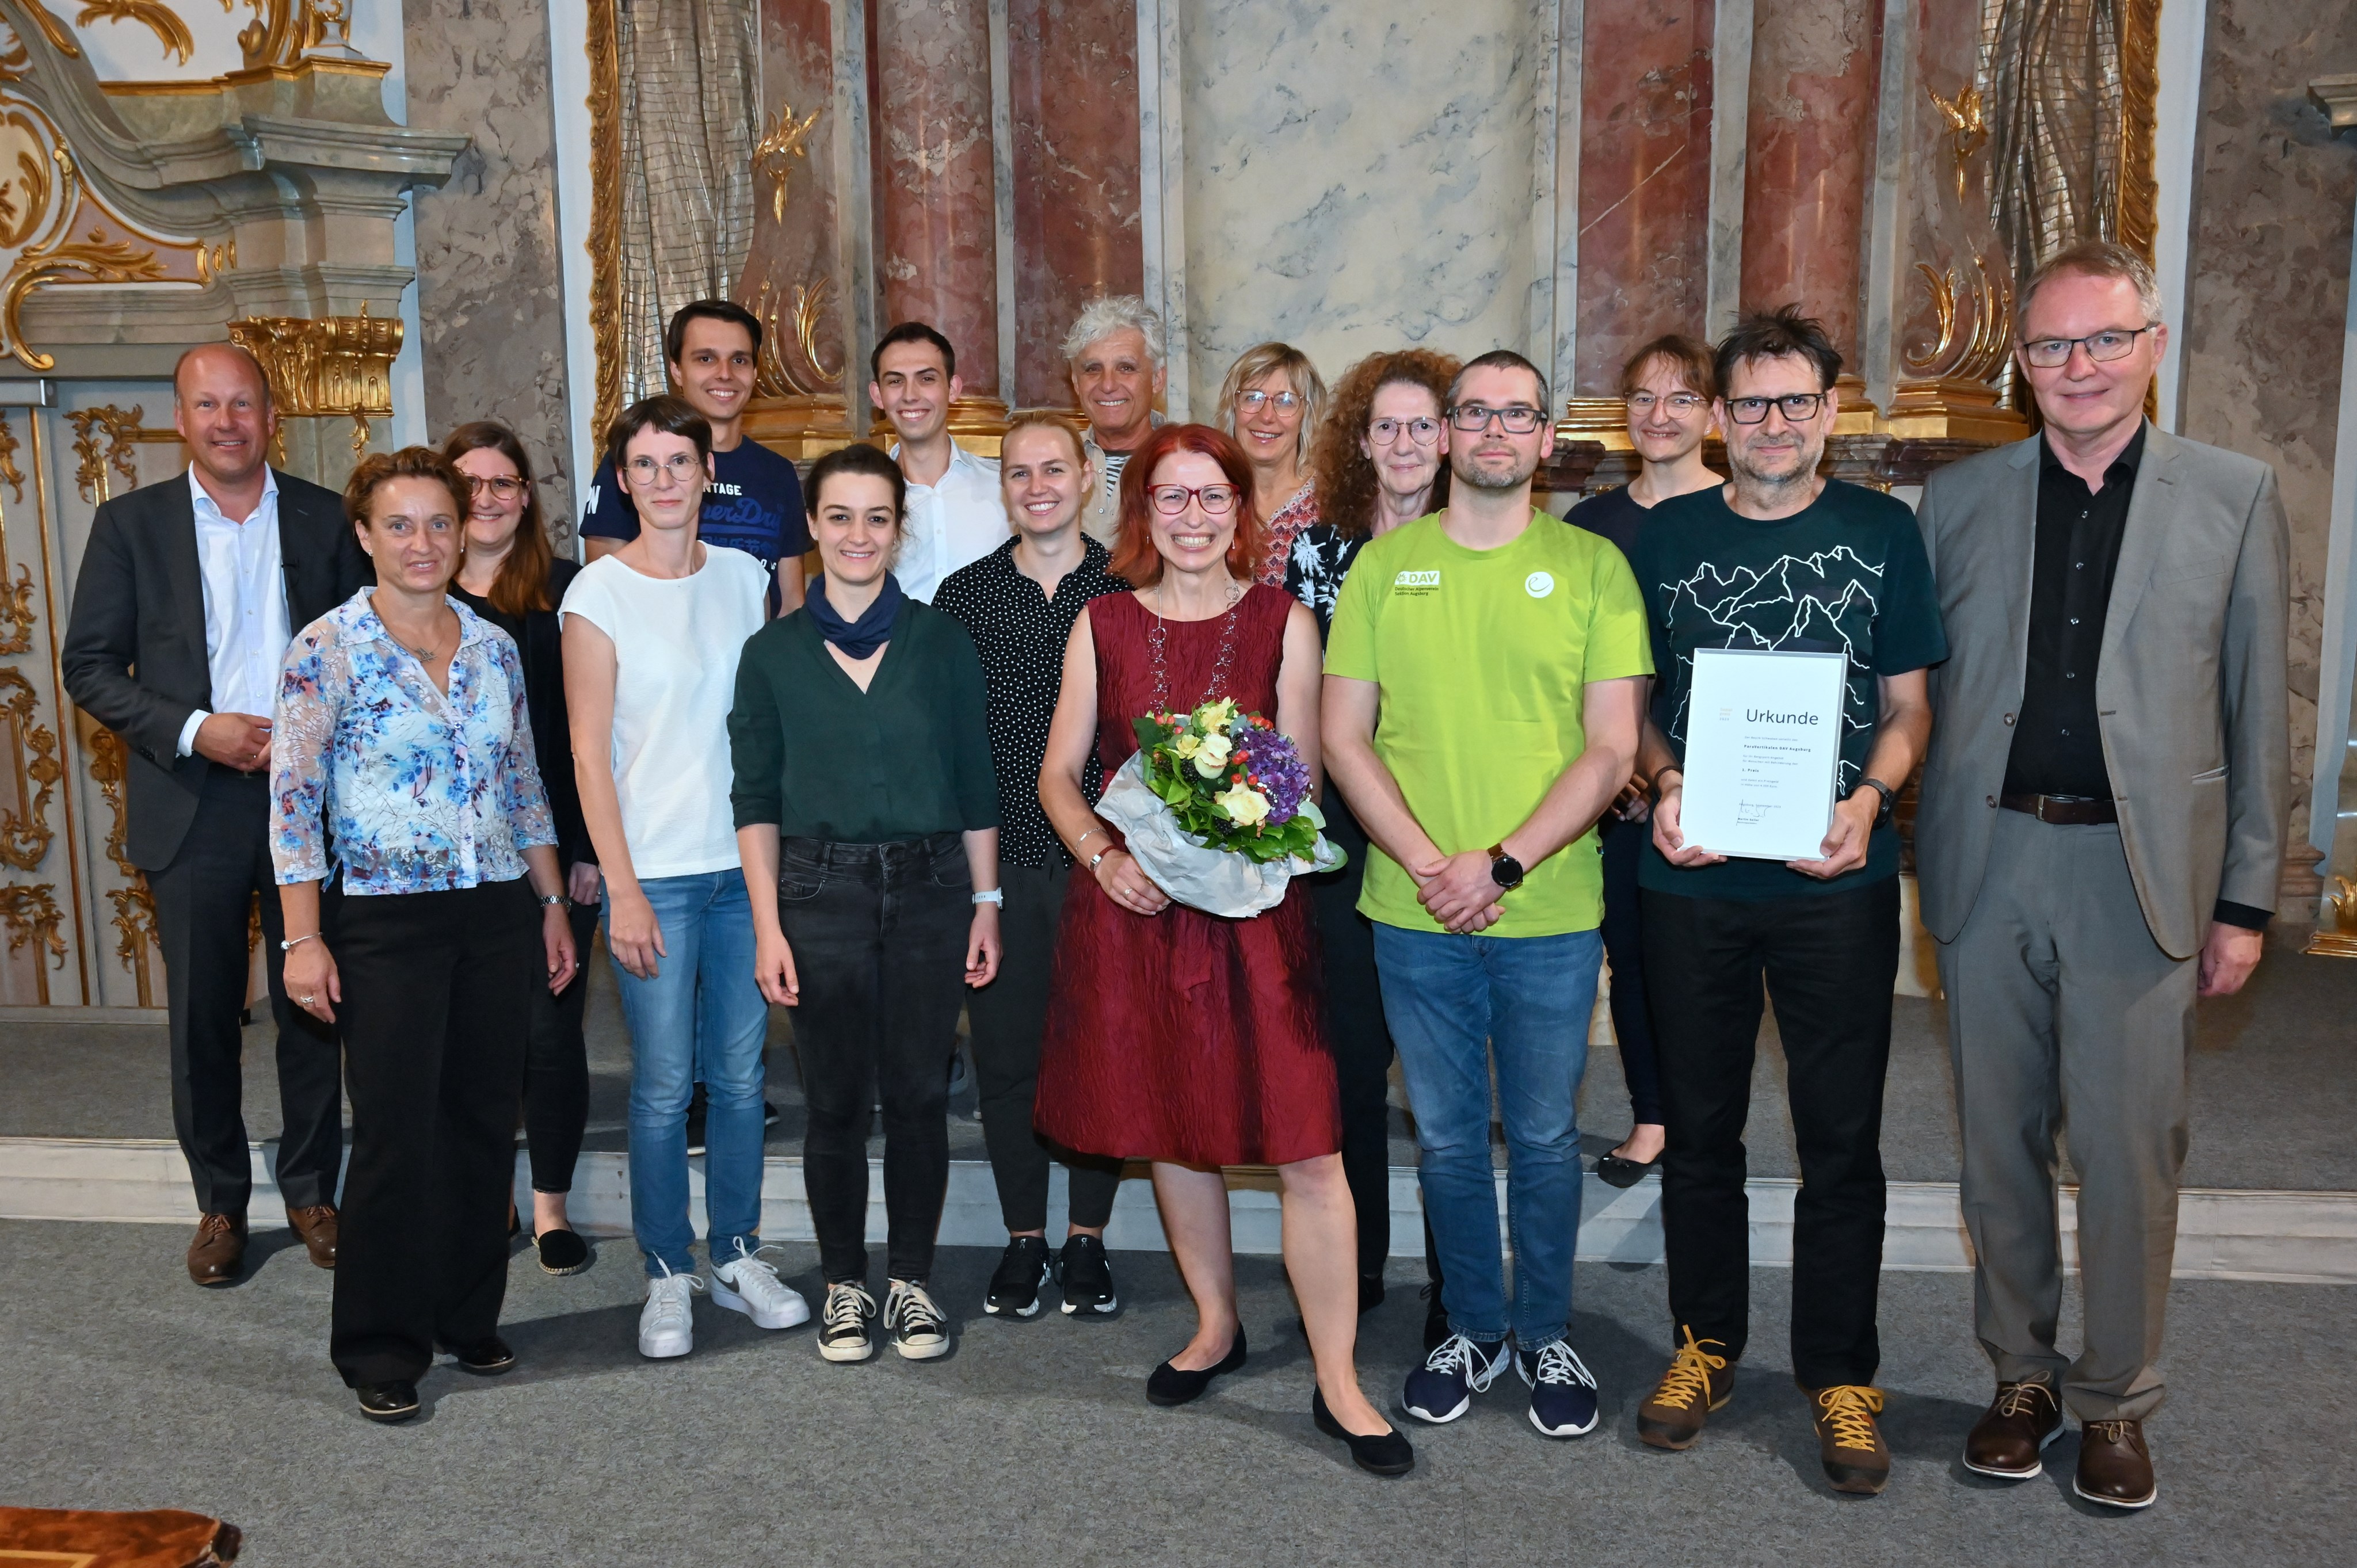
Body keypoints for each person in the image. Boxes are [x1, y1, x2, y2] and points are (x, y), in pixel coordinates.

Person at [1914, 240, 2287, 1511]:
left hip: (2140, 878)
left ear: (2151, 344)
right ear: (2020, 363)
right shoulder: (1956, 501)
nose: (2077, 366)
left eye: (2102, 339)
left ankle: (2114, 1397)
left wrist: (2246, 897)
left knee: (2129, 1152)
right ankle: (2017, 1376)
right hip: (1990, 861)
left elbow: (2254, 716)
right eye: (2051, 345)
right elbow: (1921, 693)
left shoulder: (2231, 496)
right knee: (1994, 1149)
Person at [1036, 424, 1413, 1477]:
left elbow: (1301, 778)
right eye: (1172, 497)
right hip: (1137, 910)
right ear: (1143, 511)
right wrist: (1106, 858)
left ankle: (1337, 1377)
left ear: (1239, 512)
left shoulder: (1284, 622)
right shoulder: (1101, 624)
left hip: (1255, 921)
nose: (1193, 517)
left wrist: (1236, 841)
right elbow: (1059, 773)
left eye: (1213, 498)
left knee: (1307, 1146)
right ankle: (1214, 1322)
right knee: (1174, 1125)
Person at [1627, 307, 1944, 1496]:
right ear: (1717, 418)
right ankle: (1704, 1343)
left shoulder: (1880, 533)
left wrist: (1868, 802)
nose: (1771, 425)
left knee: (1839, 1139)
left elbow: (1909, 709)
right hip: (1691, 878)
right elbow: (1631, 708)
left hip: (1835, 879)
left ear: (1828, 413)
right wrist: (1658, 782)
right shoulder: (1659, 541)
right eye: (1749, 403)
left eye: (1795, 403)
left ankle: (1839, 1372)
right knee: (1699, 1127)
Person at [1324, 350, 1650, 1445]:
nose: (1497, 433)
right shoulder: (1384, 569)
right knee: (1454, 1141)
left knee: (1550, 1137)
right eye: (1477, 414)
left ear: (1546, 439)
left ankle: (1545, 1329)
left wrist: (1499, 864)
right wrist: (1430, 862)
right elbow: (1341, 735)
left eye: (1520, 415)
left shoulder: (1596, 568)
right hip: (1413, 911)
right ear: (1450, 432)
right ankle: (1470, 1324)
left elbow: (1611, 751)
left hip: (1548, 911)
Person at [269, 446, 578, 1423]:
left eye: (438, 522)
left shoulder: (490, 643)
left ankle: (464, 1313)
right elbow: (292, 805)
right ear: (363, 535)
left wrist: (551, 905)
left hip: (492, 909)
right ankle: (380, 1343)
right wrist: (300, 940)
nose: (421, 542)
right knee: (400, 1134)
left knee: (485, 1120)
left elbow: (524, 781)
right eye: (399, 524)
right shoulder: (327, 648)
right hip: (381, 921)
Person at [60, 343, 366, 1288]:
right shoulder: (129, 525)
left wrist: (314, 739)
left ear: (272, 417)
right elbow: (90, 668)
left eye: (243, 404)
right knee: (202, 1017)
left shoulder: (325, 518)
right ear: (181, 420)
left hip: (306, 805)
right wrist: (200, 730)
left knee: (314, 1003)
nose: (227, 421)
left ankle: (315, 1189)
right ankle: (221, 1202)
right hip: (193, 801)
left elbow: (366, 650)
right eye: (207, 405)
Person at [730, 442, 1005, 1364]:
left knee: (922, 1095)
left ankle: (912, 1282)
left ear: (900, 527)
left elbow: (976, 781)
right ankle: (847, 1282)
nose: (858, 535)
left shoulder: (942, 641)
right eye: (839, 516)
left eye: (877, 517)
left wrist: (987, 901)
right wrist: (769, 925)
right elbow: (755, 798)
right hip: (819, 892)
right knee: (838, 1102)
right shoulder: (771, 654)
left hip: (932, 889)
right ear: (811, 525)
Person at [563, 395, 806, 1361]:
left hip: (741, 866)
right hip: (653, 877)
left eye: (681, 461)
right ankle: (667, 1271)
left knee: (739, 1080)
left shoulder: (748, 578)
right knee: (664, 1087)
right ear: (623, 480)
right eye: (647, 465)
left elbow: (765, 730)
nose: (665, 479)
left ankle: (738, 1253)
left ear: (711, 473)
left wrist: (775, 877)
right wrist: (619, 888)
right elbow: (588, 757)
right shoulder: (598, 595)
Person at [933, 413, 1132, 1319]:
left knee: (1101, 1047)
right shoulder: (963, 597)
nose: (1038, 485)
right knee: (1010, 1056)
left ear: (1089, 475)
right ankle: (1023, 1235)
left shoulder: (1130, 587)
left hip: (1111, 863)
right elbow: (947, 744)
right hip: (1002, 859)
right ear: (1004, 486)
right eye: (1020, 472)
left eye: (1056, 468)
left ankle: (1087, 1237)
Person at [1283, 347, 1458, 1326]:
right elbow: (1304, 700)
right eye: (1385, 426)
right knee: (1348, 1062)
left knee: (1436, 1072)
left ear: (1451, 434)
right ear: (1360, 441)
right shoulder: (1320, 550)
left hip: (1452, 813)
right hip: (1347, 825)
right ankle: (1356, 1266)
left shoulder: (1487, 543)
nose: (1403, 444)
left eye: (1422, 424)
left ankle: (1455, 1283)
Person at [1562, 335, 1723, 1188]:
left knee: (1707, 964)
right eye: (1644, 398)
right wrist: (1614, 765)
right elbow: (1568, 660)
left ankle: (1707, 1120)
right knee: (1627, 952)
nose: (1660, 416)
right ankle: (1653, 1118)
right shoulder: (1591, 525)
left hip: (1729, 777)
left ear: (1713, 413)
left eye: (1682, 398)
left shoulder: (1739, 509)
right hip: (1619, 789)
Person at [443, 421, 603, 1276]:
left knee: (550, 1033)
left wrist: (584, 850)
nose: (489, 498)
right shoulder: (415, 596)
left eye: (505, 482)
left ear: (526, 499)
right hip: (456, 863)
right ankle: (490, 1197)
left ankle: (549, 1209)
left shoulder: (568, 594)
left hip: (554, 856)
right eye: (470, 483)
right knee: (474, 1037)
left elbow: (587, 738)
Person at [581, 299, 811, 615]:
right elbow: (607, 593)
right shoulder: (634, 464)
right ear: (677, 369)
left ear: (755, 372)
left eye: (740, 360)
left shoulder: (779, 473)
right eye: (706, 359)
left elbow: (791, 603)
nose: (725, 374)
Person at [871, 321, 1008, 602]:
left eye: (927, 379)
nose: (910, 395)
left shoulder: (1003, 488)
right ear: (878, 395)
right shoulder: (865, 497)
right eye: (896, 381)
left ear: (953, 389)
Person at [1214, 341, 1326, 585]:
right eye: (1252, 397)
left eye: (1286, 401)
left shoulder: (1331, 505)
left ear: (1306, 414)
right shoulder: (1206, 498)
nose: (1266, 416)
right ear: (1233, 407)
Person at [1062, 296, 1166, 549]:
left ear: (1157, 380)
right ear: (1076, 382)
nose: (1108, 385)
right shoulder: (1056, 463)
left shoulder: (1188, 461)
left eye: (1126, 368)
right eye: (1093, 369)